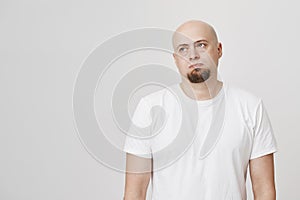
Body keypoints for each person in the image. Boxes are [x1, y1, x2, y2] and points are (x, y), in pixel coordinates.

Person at [123, 20, 278, 200]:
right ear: (175, 59)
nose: (193, 55)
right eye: (183, 49)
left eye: (201, 45)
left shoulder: (251, 107)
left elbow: (264, 189)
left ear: (219, 50)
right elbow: (135, 192)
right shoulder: (149, 108)